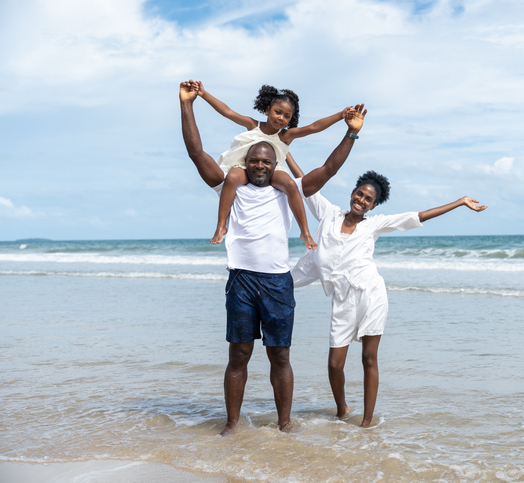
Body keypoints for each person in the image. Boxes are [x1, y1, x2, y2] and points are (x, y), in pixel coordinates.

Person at [179, 80, 367, 433]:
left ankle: (285, 423)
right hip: (242, 281)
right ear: (246, 162)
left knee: (280, 356)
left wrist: (350, 134)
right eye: (255, 160)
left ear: (274, 163)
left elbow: (327, 170)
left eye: (267, 161)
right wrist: (188, 104)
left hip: (278, 282)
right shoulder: (229, 186)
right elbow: (196, 153)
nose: (261, 165)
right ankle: (232, 424)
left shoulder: (287, 189)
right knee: (238, 356)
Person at [290, 168, 487, 427]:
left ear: (373, 205)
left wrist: (460, 202)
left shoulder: (374, 224)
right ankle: (342, 409)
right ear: (352, 193)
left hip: (371, 294)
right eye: (359, 194)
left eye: (367, 199)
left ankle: (367, 422)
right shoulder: (328, 214)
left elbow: (417, 216)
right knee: (334, 364)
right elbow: (307, 182)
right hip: (342, 298)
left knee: (369, 358)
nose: (361, 200)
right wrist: (284, 148)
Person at [189, 80, 354, 249]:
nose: (281, 118)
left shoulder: (286, 136)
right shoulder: (253, 125)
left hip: (273, 169)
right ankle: (221, 226)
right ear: (268, 110)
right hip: (244, 165)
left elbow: (314, 127)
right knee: (231, 178)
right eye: (278, 112)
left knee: (291, 184)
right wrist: (204, 94)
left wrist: (340, 115)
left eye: (286, 116)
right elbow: (227, 112)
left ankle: (305, 231)